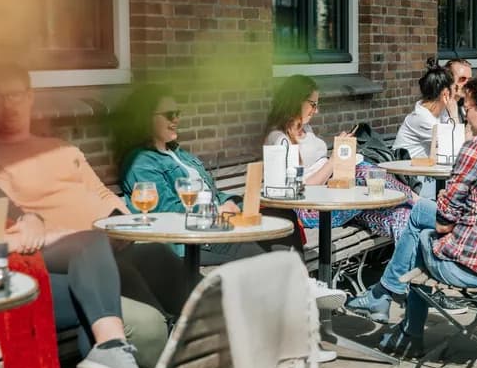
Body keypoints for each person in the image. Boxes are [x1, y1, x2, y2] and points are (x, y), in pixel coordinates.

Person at [0, 76, 157, 368]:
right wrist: (26, 239)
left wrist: (33, 224)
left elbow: (13, 209)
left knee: (89, 245)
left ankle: (111, 351)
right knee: (90, 300)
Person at [0, 66, 192, 363]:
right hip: (74, 260)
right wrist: (92, 236)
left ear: (29, 97)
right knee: (147, 317)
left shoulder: (61, 147)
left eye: (15, 95)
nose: (8, 104)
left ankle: (206, 344)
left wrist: (120, 221)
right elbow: (19, 223)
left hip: (115, 241)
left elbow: (101, 193)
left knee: (164, 260)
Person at [344, 71, 477, 357]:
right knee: (419, 215)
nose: (466, 115)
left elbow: (442, 223)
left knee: (420, 230)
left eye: (468, 109)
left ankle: (386, 300)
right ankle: (393, 312)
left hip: (471, 265)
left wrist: (451, 206)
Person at [113, 84, 345, 313]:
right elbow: (165, 209)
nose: (176, 119)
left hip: (218, 225)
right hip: (194, 237)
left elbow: (213, 192)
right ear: (146, 118)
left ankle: (302, 289)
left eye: (178, 113)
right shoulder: (141, 162)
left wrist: (242, 204)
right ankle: (299, 301)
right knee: (266, 259)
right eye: (169, 115)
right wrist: (216, 208)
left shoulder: (181, 155)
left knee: (282, 216)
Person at [264, 75, 417, 240]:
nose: (317, 110)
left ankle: (415, 259)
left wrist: (341, 150)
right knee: (365, 171)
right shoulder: (279, 139)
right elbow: (298, 190)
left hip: (334, 194)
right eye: (313, 105)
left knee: (400, 216)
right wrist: (334, 160)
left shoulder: (305, 128)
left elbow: (319, 165)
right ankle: (420, 202)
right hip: (311, 208)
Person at [393, 62, 455, 159]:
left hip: (424, 171)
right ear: (445, 94)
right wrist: (453, 112)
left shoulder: (440, 112)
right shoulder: (422, 118)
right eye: (454, 88)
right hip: (406, 171)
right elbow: (453, 148)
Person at [443, 58, 472, 123]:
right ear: (449, 80)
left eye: (469, 80)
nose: (467, 83)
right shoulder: (439, 109)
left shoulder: (464, 105)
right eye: (462, 79)